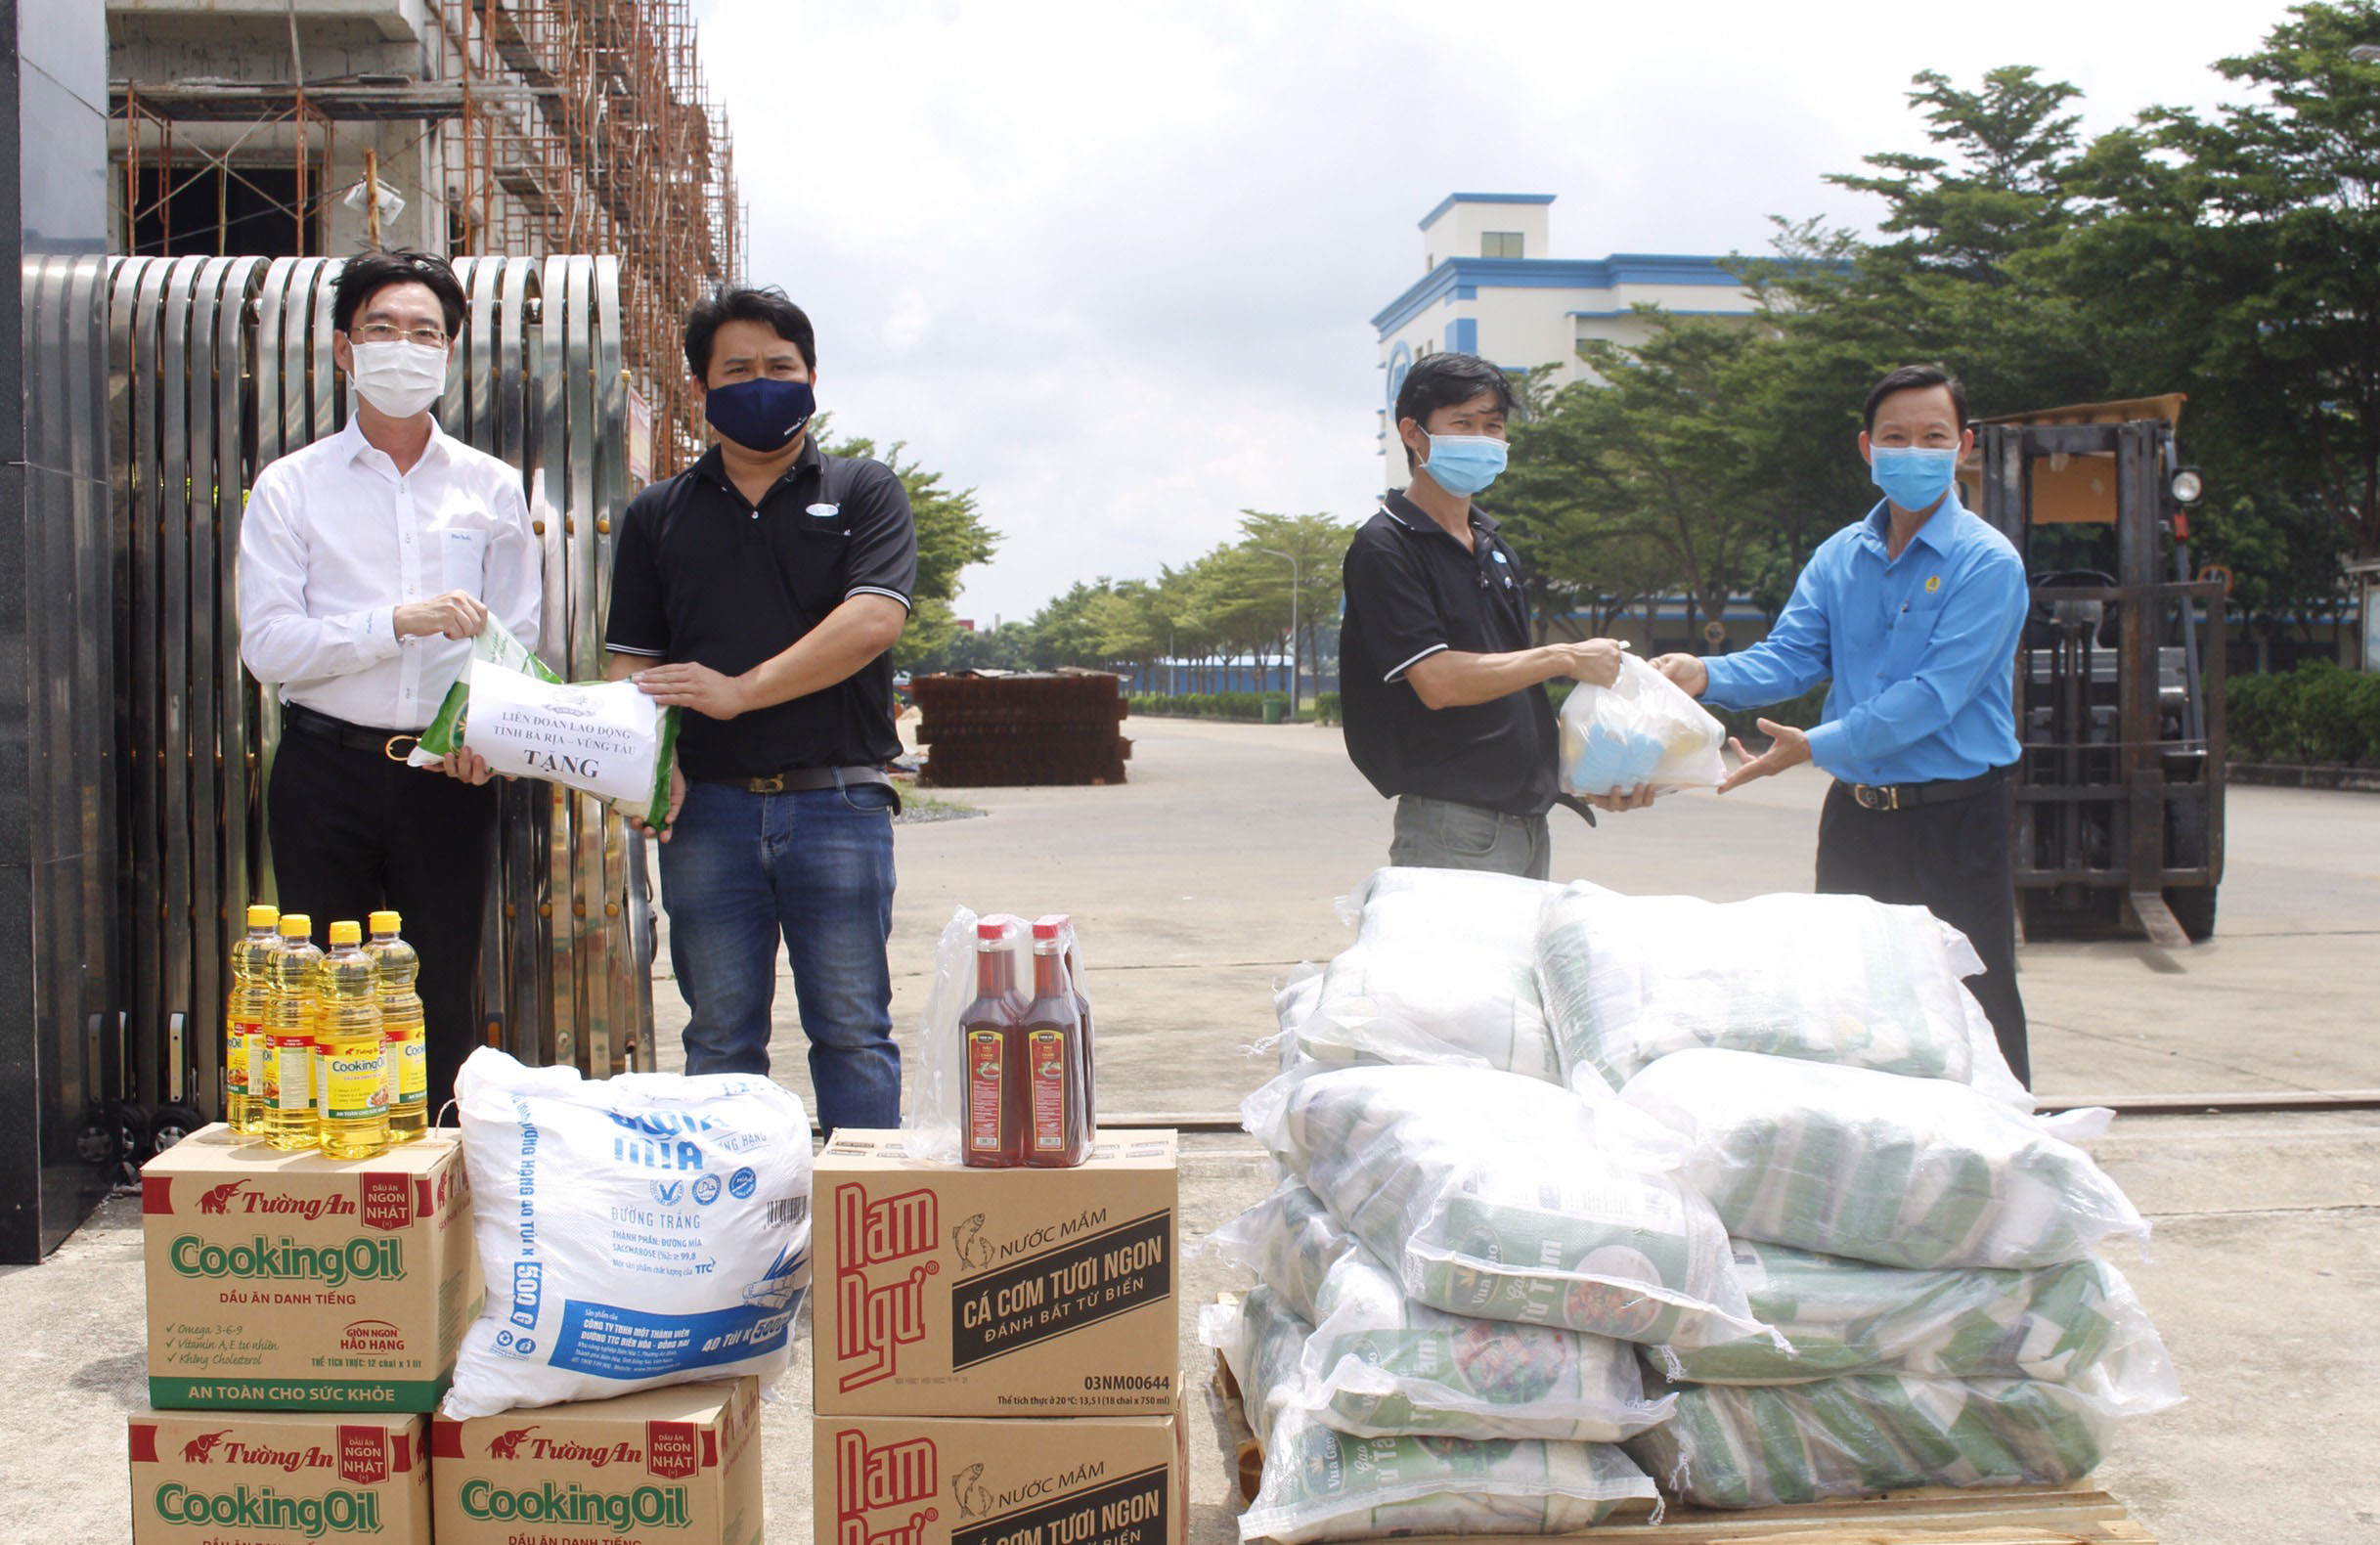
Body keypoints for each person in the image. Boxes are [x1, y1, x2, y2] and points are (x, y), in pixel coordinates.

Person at [1651, 364, 2034, 1084]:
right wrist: (1704, 675)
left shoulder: (1987, 563)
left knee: (1974, 1009)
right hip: (1857, 821)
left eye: (1933, 437)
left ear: (1965, 445)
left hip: (1955, 821)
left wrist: (1812, 746)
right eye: (1896, 437)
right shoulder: (1839, 557)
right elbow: (1792, 658)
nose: (1914, 451)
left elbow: (1931, 697)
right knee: (1852, 1007)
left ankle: (2004, 1161)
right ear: (1867, 447)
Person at [238, 248, 543, 1116]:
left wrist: (488, 743)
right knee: (325, 991)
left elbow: (516, 637)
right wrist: (395, 622)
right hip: (323, 771)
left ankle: (440, 1188)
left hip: (446, 777)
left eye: (425, 332)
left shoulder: (490, 487)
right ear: (344, 349)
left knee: (443, 989)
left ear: (448, 353)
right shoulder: (291, 487)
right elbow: (270, 647)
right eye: (382, 329)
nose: (403, 347)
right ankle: (337, 1179)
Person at [602, 287, 915, 1133]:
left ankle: (863, 1236)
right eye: (737, 369)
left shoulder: (862, 491)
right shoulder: (657, 513)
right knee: (719, 1040)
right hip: (707, 812)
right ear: (701, 390)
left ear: (812, 377)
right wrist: (648, 763)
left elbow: (872, 619)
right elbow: (635, 660)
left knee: (853, 1031)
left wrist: (740, 692)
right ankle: (731, 1238)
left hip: (837, 801)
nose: (762, 382)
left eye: (780, 366)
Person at [1339, 351, 1644, 881]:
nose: (1482, 439)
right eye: (1462, 423)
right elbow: (1436, 680)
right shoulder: (1386, 545)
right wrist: (1565, 656)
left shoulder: (1492, 546)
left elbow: (1511, 687)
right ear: (1413, 433)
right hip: (1456, 829)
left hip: (1527, 823)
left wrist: (1585, 772)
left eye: (1493, 425)